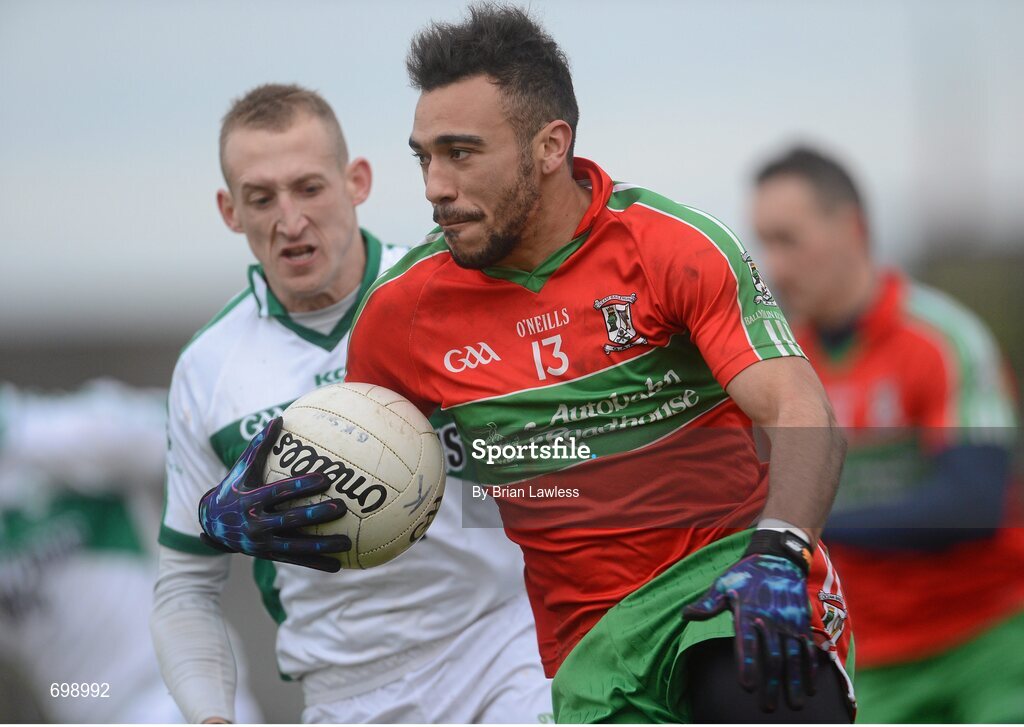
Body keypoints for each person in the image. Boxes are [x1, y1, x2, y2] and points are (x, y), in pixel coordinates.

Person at [198, 7, 857, 723]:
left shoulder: (671, 249)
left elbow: (802, 411)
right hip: (589, 649)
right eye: (425, 157)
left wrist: (780, 550)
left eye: (461, 153)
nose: (434, 186)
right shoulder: (404, 311)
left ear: (550, 146)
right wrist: (239, 508)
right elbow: (356, 473)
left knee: (762, 691)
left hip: (730, 586)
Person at [151, 83, 552, 724]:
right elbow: (184, 588)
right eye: (262, 198)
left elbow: (564, 473)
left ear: (356, 180)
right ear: (231, 210)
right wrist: (210, 717)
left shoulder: (453, 294)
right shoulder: (209, 369)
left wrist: (478, 476)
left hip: (502, 649)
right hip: (347, 691)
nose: (289, 220)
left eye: (309, 188)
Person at [751, 145, 1024, 723]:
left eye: (788, 240)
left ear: (851, 228)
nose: (774, 265)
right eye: (764, 243)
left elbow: (971, 504)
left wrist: (803, 527)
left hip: (992, 637)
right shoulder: (777, 371)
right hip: (867, 656)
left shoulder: (944, 338)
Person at [0, 379, 260, 723]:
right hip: (84, 707)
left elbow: (189, 429)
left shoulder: (49, 430)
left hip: (172, 690)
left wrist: (16, 434)